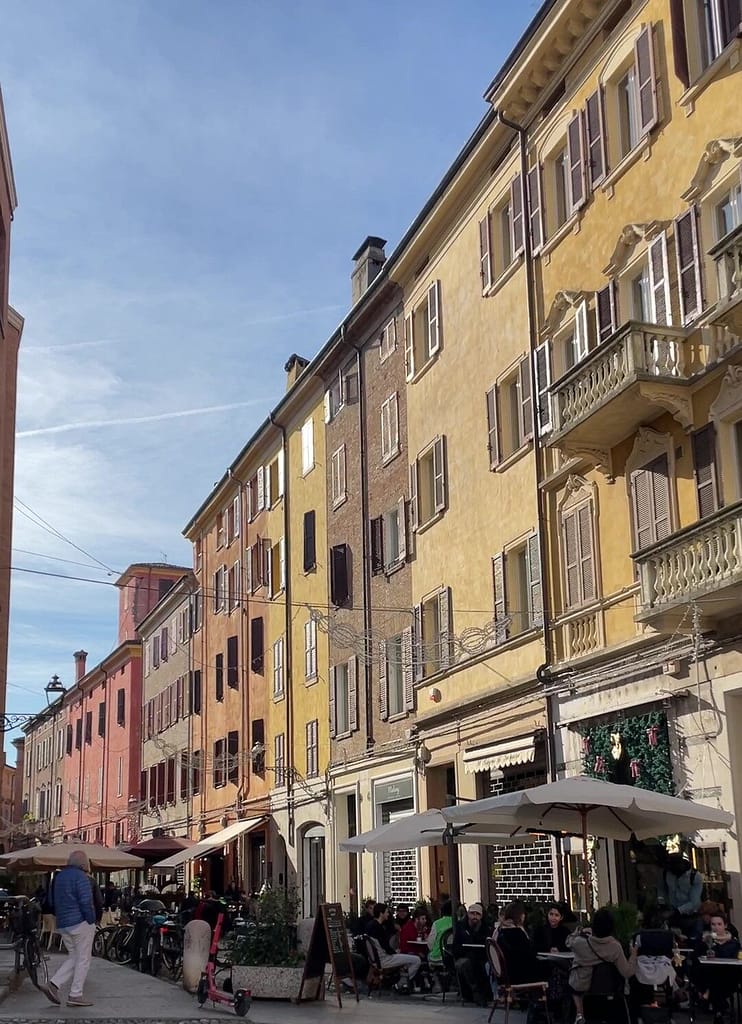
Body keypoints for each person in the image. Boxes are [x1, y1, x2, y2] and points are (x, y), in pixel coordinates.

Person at [42, 850, 97, 1007]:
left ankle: (53, 984)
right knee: (84, 959)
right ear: (83, 863)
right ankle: (75, 994)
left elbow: (51, 901)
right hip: (80, 922)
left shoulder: (58, 877)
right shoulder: (82, 878)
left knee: (74, 956)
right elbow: (86, 901)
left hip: (63, 923)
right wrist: (91, 920)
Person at [568, 907, 638, 1024]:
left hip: (584, 990)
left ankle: (579, 1014)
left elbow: (569, 941)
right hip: (609, 991)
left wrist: (580, 932)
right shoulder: (615, 946)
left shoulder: (580, 943)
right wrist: (633, 955)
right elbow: (627, 972)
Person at [691, 910, 741, 1023]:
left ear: (725, 926)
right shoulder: (704, 941)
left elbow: (736, 961)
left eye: (719, 924)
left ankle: (709, 996)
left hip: (728, 978)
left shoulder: (733, 944)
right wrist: (703, 944)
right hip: (708, 976)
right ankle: (719, 1010)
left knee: (722, 974)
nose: (716, 927)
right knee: (712, 974)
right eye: (713, 924)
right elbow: (695, 958)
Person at [364, 902, 421, 992]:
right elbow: (386, 947)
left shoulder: (370, 925)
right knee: (416, 960)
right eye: (386, 912)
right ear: (381, 913)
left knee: (406, 959)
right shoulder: (378, 928)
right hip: (384, 959)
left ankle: (402, 982)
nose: (388, 914)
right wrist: (396, 952)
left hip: (376, 959)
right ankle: (401, 984)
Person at [453, 901, 490, 1006]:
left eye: (477, 914)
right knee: (467, 964)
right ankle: (476, 993)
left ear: (481, 916)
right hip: (463, 956)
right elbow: (456, 948)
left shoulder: (485, 928)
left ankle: (487, 993)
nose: (475, 916)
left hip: (480, 956)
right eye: (472, 913)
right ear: (468, 914)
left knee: (484, 965)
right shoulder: (461, 927)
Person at [495, 901, 541, 984]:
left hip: (505, 974)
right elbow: (530, 953)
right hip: (519, 974)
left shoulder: (500, 931)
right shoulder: (517, 933)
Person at [658, 854, 703, 934]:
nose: (670, 871)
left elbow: (695, 902)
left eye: (672, 869)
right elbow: (661, 889)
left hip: (690, 917)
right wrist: (662, 904)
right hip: (671, 916)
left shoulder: (695, 876)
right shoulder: (666, 873)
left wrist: (677, 911)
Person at [427, 899, 453, 964]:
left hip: (437, 957)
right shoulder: (459, 923)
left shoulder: (437, 924)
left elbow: (430, 944)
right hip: (453, 956)